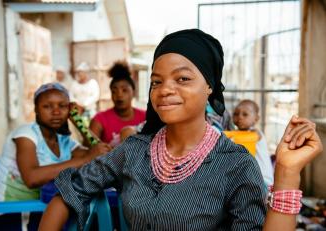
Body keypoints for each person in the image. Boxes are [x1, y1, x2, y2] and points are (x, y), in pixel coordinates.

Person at [39, 29, 323, 231]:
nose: (165, 90)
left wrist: (286, 174)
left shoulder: (235, 164)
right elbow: (69, 191)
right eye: (156, 81)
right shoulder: (134, 151)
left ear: (209, 86)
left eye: (183, 78)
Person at [0, 83, 110, 230]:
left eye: (63, 106)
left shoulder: (64, 141)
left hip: (40, 211)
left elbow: (102, 154)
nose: (56, 112)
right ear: (36, 110)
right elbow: (31, 178)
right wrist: (85, 159)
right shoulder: (26, 135)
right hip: (9, 213)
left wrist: (78, 122)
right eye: (47, 106)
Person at [89, 61, 146, 147]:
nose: (119, 95)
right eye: (114, 91)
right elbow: (90, 150)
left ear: (133, 92)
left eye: (124, 90)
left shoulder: (146, 117)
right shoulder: (99, 120)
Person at [232, 99, 274, 186]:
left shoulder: (256, 134)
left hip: (263, 180)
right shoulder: (235, 134)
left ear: (256, 119)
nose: (240, 117)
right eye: (236, 114)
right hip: (249, 180)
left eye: (245, 114)